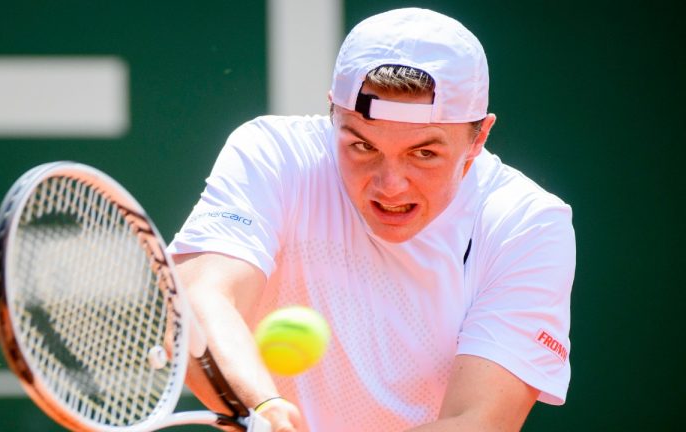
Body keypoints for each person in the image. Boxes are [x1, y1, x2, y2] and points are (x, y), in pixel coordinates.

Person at [168, 7, 575, 432]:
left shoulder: (527, 223)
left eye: (424, 154)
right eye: (362, 146)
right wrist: (265, 408)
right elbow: (198, 304)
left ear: (478, 139)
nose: (391, 185)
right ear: (333, 114)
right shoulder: (273, 154)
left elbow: (477, 420)